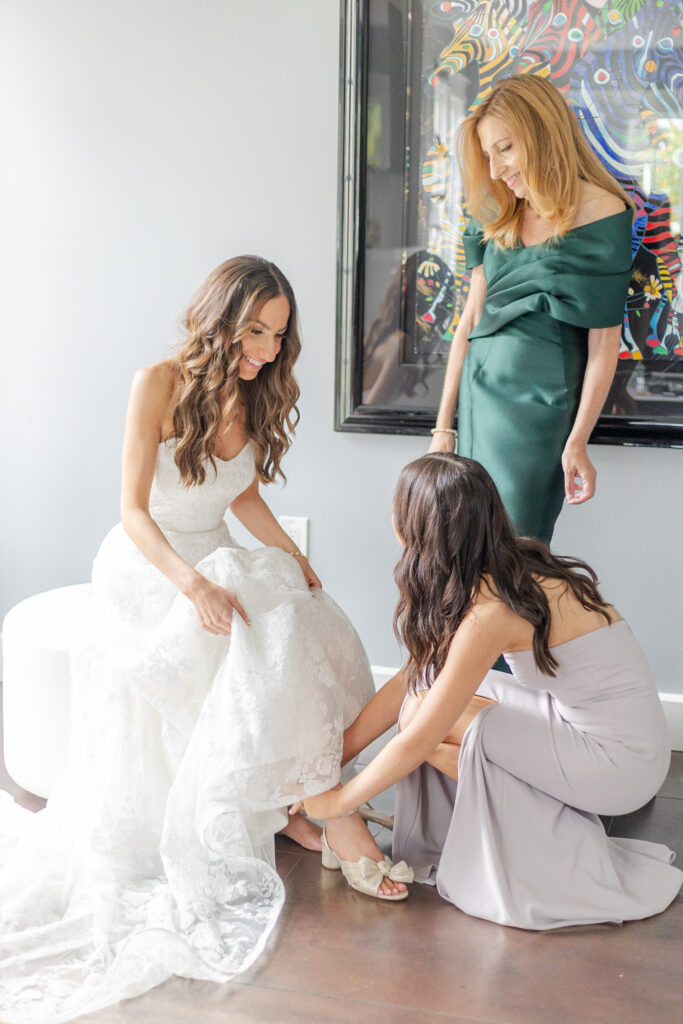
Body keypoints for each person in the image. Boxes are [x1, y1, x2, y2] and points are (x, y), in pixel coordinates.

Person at [0, 256, 409, 1024]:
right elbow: (131, 511)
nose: (265, 347)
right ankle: (315, 809)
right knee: (244, 626)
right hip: (148, 564)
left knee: (297, 614)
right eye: (255, 329)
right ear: (219, 317)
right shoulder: (154, 382)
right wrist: (189, 586)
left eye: (278, 335)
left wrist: (292, 555)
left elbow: (241, 489)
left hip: (214, 548)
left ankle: (298, 793)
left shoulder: (254, 389)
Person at [293, 453, 682, 930]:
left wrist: (338, 800)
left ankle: (533, 824)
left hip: (620, 764)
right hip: (599, 730)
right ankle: (502, 814)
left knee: (426, 723)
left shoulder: (492, 610)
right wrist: (330, 761)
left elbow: (417, 739)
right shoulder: (500, 565)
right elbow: (412, 679)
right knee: (420, 700)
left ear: (416, 529)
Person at [429, 74, 634, 543]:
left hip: (540, 410)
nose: (497, 169)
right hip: (479, 401)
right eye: (487, 155)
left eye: (506, 148)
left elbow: (604, 343)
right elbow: (470, 322)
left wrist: (578, 439)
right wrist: (444, 428)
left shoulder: (603, 213)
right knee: (464, 554)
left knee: (518, 552)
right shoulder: (495, 209)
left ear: (542, 133)